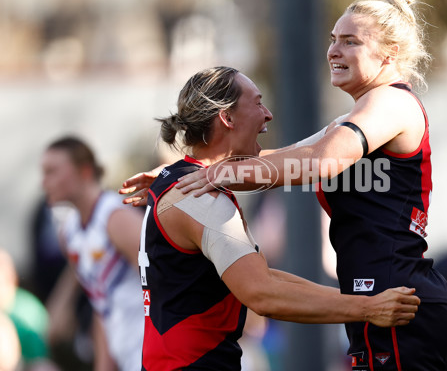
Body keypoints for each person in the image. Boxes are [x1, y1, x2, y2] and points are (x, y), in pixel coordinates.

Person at [122, 0, 447, 370]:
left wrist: (207, 172)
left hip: (400, 299)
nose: (333, 50)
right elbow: (285, 157)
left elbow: (316, 163)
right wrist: (177, 173)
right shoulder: (356, 118)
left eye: (350, 41)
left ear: (390, 54)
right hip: (380, 299)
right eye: (334, 39)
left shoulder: (391, 102)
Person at [130, 65, 419, 370]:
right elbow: (262, 293)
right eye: (257, 103)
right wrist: (368, 308)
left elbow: (263, 276)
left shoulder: (179, 180)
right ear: (227, 118)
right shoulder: (200, 195)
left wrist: (359, 300)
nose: (268, 114)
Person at [41, 136, 144, 370]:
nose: (44, 182)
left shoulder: (117, 219)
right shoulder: (69, 232)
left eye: (52, 172)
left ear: (84, 171)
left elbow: (167, 285)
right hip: (126, 353)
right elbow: (102, 305)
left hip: (157, 353)